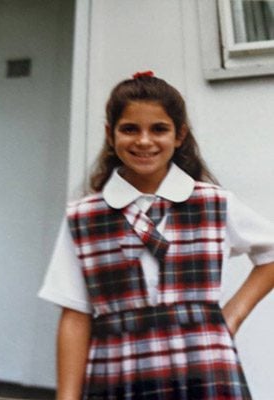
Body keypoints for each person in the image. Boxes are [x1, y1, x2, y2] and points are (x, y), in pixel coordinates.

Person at [39, 71, 274, 400]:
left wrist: (232, 316)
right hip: (118, 371)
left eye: (159, 129)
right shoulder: (84, 217)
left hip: (204, 369)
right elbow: (75, 316)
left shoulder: (213, 203)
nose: (144, 141)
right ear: (111, 134)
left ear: (179, 135)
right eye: (130, 129)